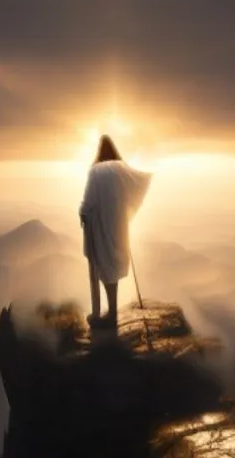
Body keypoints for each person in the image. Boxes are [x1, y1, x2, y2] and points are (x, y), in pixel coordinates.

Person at [79, 134, 152, 328]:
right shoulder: (121, 169)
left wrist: (83, 213)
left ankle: (105, 315)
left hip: (99, 225)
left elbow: (89, 200)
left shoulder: (95, 171)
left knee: (101, 267)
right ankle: (112, 312)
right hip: (118, 225)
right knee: (112, 266)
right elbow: (136, 185)